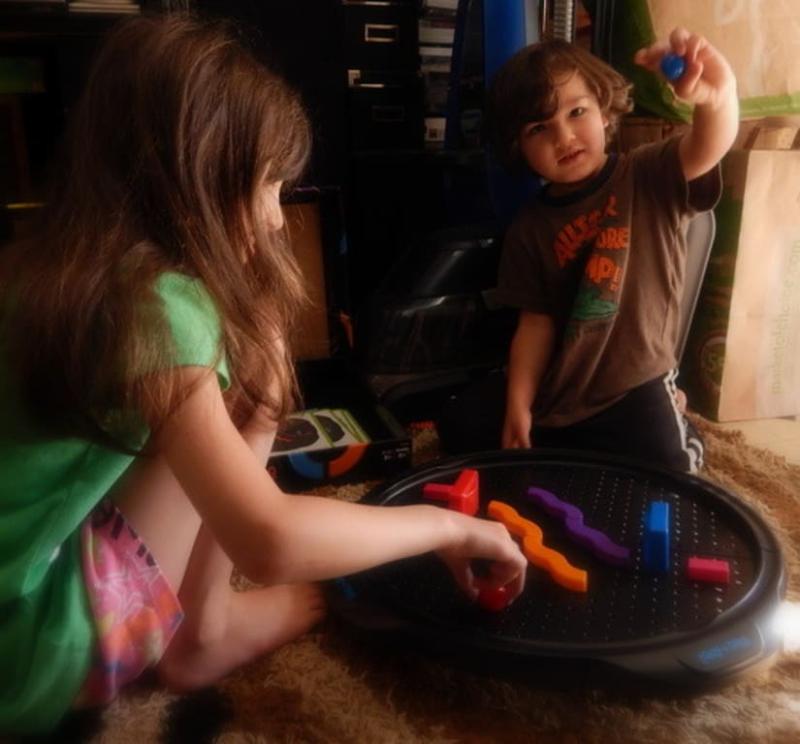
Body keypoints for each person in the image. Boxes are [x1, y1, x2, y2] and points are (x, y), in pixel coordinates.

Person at [0, 15, 528, 736]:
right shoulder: (158, 306)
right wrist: (449, 528)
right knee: (253, 387)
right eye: (270, 186)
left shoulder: (46, 264)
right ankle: (203, 633)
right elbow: (269, 541)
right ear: (201, 177)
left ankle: (200, 625)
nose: (279, 220)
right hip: (27, 652)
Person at [437, 29, 738, 474]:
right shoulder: (530, 227)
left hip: (633, 385)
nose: (564, 137)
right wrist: (518, 405)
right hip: (562, 391)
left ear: (603, 109)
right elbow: (534, 324)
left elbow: (709, 145)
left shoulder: (646, 174)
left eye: (576, 112)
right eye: (539, 128)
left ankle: (680, 421)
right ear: (518, 147)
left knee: (670, 471)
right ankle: (582, 438)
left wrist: (717, 96)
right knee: (459, 425)